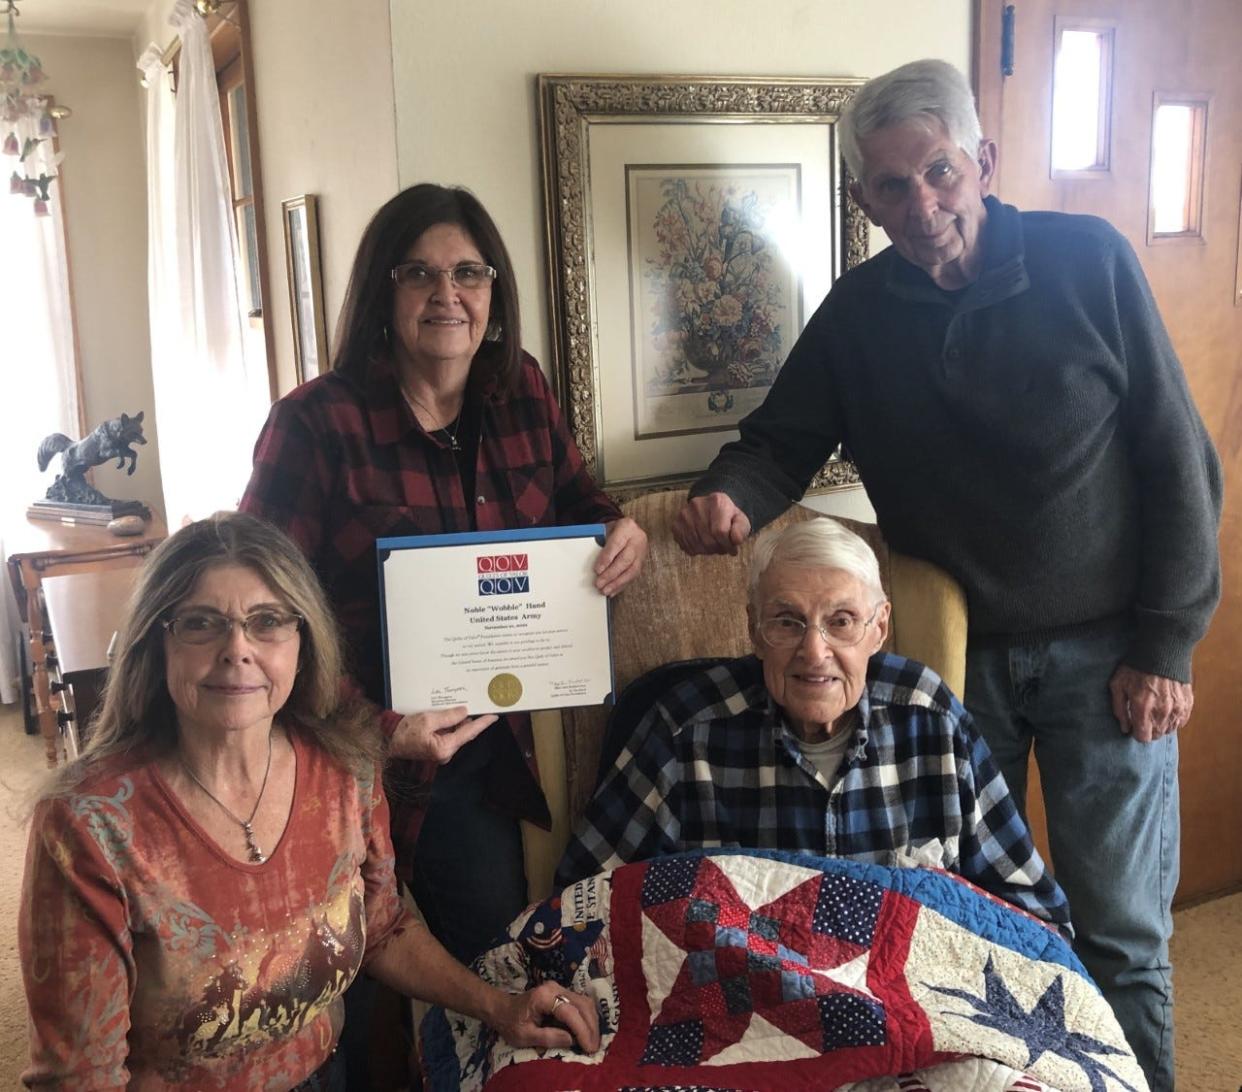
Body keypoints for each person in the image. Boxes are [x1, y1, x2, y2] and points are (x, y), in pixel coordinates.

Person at [671, 59, 1221, 1090]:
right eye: (892, 186)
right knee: (978, 930)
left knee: (1121, 937)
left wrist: (1168, 641)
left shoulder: (1087, 261)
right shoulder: (859, 314)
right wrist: (730, 495)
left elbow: (1178, 459)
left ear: (985, 163)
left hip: (1112, 658)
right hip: (955, 667)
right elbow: (776, 441)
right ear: (861, 199)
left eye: (940, 172)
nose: (921, 205)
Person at [18, 512, 600, 1091]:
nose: (236, 649)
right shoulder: (89, 824)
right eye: (201, 622)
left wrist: (501, 1006)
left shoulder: (346, 764)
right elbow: (79, 1078)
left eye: (267, 621)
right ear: (157, 640)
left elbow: (382, 928)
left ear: (304, 639)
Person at [240, 183, 647, 963]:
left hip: (478, 754)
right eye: (418, 274)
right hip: (340, 762)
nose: (447, 295)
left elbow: (575, 499)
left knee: (482, 973)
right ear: (381, 292)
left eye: (469, 272)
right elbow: (260, 617)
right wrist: (383, 732)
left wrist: (619, 529)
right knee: (337, 983)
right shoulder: (316, 424)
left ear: (494, 287)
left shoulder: (521, 388)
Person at [558, 518, 1068, 932]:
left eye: (841, 620)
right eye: (787, 621)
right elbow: (578, 899)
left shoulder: (930, 718)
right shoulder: (686, 729)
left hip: (909, 1016)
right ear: (753, 629)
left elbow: (1033, 909)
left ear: (880, 629)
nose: (814, 651)